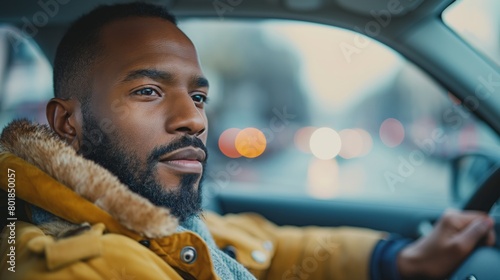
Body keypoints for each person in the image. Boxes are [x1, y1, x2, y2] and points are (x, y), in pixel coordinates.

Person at [0, 3, 495, 279]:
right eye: (148, 91)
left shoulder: (162, 220)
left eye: (199, 96)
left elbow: (267, 248)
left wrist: (400, 260)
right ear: (67, 123)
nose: (192, 119)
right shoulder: (73, 266)